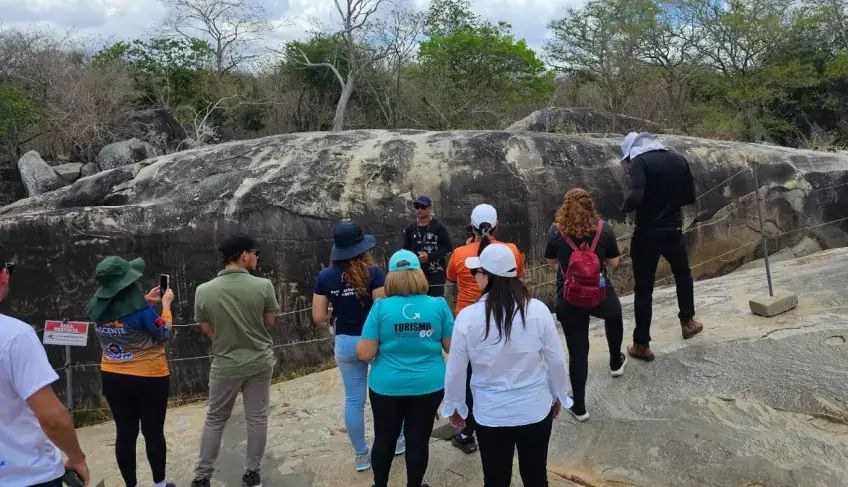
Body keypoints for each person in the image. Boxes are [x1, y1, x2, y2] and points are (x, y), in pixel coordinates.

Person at [443, 244, 571, 487]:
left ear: (487, 276)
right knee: (535, 476)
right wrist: (558, 395)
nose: (475, 277)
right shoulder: (538, 310)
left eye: (476, 272)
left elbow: (456, 370)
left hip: (491, 414)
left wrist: (456, 406)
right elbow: (556, 359)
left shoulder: (468, 318)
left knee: (495, 479)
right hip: (534, 409)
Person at [356, 249, 453, 487]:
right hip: (428, 385)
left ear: (392, 277)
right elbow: (452, 347)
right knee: (418, 440)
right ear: (419, 274)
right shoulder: (438, 305)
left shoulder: (380, 308)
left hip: (387, 386)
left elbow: (365, 353)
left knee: (384, 439)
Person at [312, 222, 403, 472]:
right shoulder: (374, 273)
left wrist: (337, 308)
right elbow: (381, 309)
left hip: (345, 341)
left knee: (354, 401)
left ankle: (362, 455)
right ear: (362, 249)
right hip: (373, 340)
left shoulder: (325, 277)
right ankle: (398, 441)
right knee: (388, 394)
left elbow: (318, 316)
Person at [191, 234, 279, 487]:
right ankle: (252, 474)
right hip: (259, 361)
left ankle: (202, 476)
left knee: (216, 419)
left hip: (225, 363)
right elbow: (270, 322)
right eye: (256, 253)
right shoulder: (263, 286)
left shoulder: (203, 290)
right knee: (258, 418)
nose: (256, 257)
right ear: (244, 255)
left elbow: (206, 326)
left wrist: (224, 338)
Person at [0, 244, 91, 487]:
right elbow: (52, 418)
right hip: (27, 475)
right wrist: (76, 456)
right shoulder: (15, 336)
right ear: (3, 275)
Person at [86, 256, 176, 487]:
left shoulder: (96, 305)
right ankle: (160, 485)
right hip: (149, 377)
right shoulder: (142, 310)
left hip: (113, 376)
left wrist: (147, 298)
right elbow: (163, 332)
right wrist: (165, 306)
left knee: (125, 434)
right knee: (153, 432)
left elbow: (120, 313)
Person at [445, 204, 524, 454]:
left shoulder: (459, 254)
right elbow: (517, 273)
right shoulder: (510, 250)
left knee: (469, 377)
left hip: (468, 318)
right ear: (497, 225)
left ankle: (467, 431)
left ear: (472, 226)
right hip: (503, 314)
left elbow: (451, 278)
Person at [620, 132, 704, 362]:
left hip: (647, 233)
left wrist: (624, 207)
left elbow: (635, 196)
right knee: (682, 274)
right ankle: (688, 322)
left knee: (644, 289)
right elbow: (689, 196)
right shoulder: (678, 158)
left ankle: (642, 344)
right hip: (674, 231)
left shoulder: (640, 162)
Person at [545, 189, 626, 422]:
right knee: (615, 314)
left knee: (578, 352)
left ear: (565, 206)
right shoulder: (604, 229)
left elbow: (551, 263)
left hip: (569, 297)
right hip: (598, 292)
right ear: (590, 205)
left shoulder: (556, 231)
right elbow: (614, 262)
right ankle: (615, 361)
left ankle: (579, 407)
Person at [402, 196, 454, 298]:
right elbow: (406, 249)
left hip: (436, 272)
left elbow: (447, 248)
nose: (420, 209)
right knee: (418, 300)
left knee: (435, 300)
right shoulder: (410, 228)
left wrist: (430, 256)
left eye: (423, 207)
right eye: (417, 207)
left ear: (429, 208)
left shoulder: (439, 227)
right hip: (416, 272)